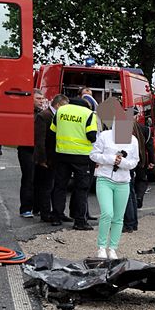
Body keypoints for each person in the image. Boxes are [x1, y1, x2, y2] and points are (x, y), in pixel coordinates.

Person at [89, 117, 139, 259]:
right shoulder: (105, 136)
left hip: (123, 181)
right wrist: (110, 159)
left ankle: (113, 248)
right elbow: (93, 155)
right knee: (107, 213)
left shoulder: (133, 140)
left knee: (118, 217)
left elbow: (134, 161)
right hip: (104, 179)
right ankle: (101, 247)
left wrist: (122, 162)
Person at [50, 98, 99, 230]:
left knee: (60, 186)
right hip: (81, 157)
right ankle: (80, 221)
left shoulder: (60, 111)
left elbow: (52, 131)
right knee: (81, 189)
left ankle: (56, 217)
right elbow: (91, 136)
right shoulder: (88, 114)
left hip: (62, 154)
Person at [34, 94, 68, 223]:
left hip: (57, 158)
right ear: (58, 105)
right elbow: (40, 140)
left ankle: (58, 212)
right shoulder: (44, 116)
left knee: (57, 187)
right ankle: (45, 213)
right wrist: (42, 159)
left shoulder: (58, 116)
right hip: (48, 158)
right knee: (46, 187)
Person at [17, 90, 46, 218]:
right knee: (28, 178)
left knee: (40, 180)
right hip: (27, 149)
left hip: (39, 151)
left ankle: (37, 207)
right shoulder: (25, 114)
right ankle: (25, 208)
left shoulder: (42, 114)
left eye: (42, 98)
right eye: (38, 98)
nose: (42, 101)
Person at [123, 114, 151, 232]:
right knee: (131, 193)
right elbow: (148, 148)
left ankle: (129, 223)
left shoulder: (126, 131)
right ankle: (132, 223)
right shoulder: (141, 129)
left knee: (127, 194)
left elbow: (122, 150)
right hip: (136, 163)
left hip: (125, 166)